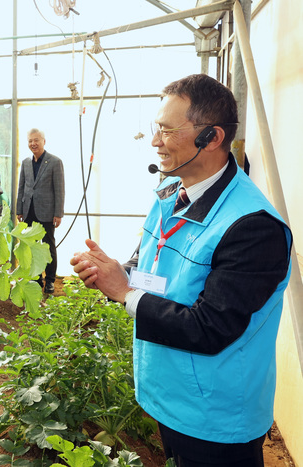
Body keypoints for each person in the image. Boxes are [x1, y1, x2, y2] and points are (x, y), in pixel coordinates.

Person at [71, 74, 291, 467]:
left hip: (215, 420)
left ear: (212, 137)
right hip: (171, 399)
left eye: (168, 131)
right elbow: (153, 271)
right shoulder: (172, 195)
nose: (155, 141)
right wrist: (114, 273)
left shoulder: (253, 228)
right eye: (156, 128)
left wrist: (125, 292)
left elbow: (210, 327)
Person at [16, 129, 65, 294]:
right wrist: (19, 209)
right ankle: (36, 278)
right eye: (30, 141)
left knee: (49, 246)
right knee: (31, 246)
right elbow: (21, 188)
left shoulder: (55, 162)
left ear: (44, 141)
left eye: (36, 140)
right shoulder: (26, 163)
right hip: (28, 211)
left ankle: (50, 280)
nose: (33, 144)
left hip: (47, 212)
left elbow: (59, 190)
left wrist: (58, 213)